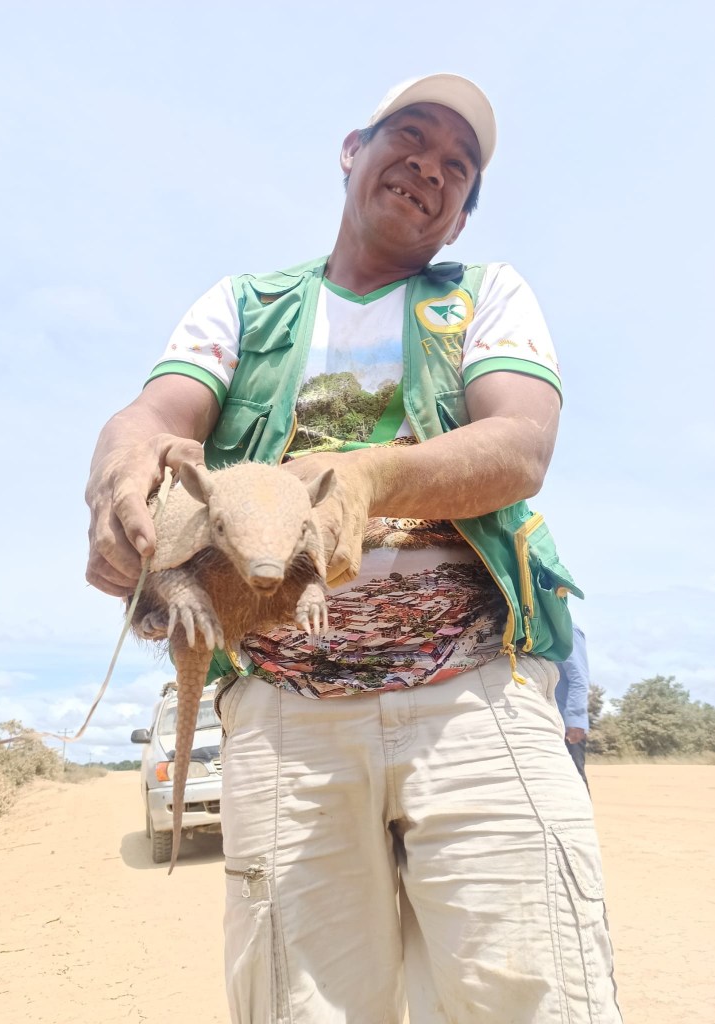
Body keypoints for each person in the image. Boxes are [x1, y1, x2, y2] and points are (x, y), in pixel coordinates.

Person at [86, 73, 621, 1023]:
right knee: (304, 1006)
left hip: (474, 697)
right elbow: (154, 416)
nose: (431, 168)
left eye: (458, 167)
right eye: (410, 138)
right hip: (286, 714)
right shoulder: (244, 306)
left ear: (460, 216)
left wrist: (366, 478)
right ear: (351, 151)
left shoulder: (486, 296)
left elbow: (518, 445)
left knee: (534, 999)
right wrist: (119, 470)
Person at [556, 623, 592, 790]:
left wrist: (575, 721)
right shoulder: (532, 631)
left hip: (566, 726)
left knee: (573, 782)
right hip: (543, 722)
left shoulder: (566, 629)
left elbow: (579, 678)